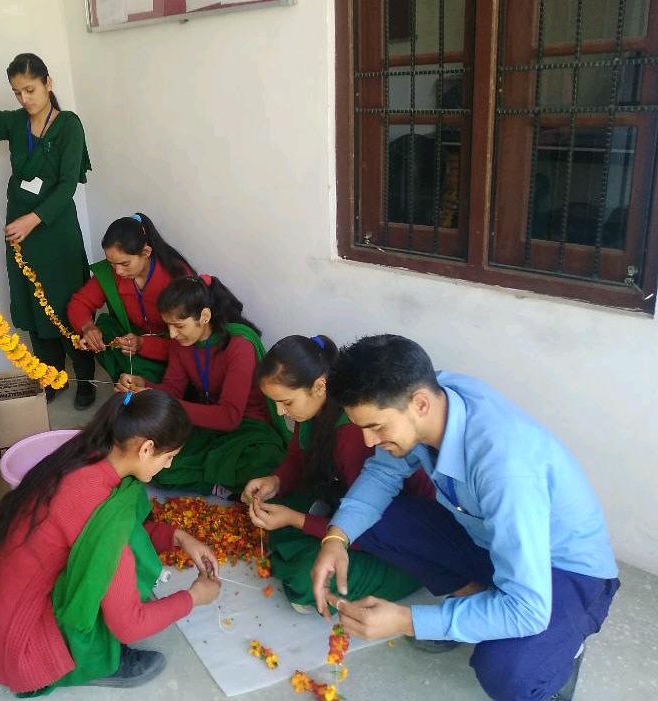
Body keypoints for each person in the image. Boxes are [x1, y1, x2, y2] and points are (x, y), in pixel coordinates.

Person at [311, 335, 619, 701]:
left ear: (420, 404)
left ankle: (561, 648)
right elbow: (382, 474)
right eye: (361, 426)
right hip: (491, 541)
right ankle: (478, 606)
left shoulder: (504, 466)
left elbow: (529, 610)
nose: (368, 441)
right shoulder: (434, 397)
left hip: (566, 571)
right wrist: (336, 539)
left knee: (509, 671)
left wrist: (408, 621)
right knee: (371, 520)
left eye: (376, 427)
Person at [0, 391, 221, 694]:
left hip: (11, 604)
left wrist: (181, 538)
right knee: (117, 582)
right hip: (28, 640)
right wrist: (194, 597)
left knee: (127, 542)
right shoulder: (99, 511)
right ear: (147, 449)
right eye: (169, 457)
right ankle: (94, 661)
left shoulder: (93, 450)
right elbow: (128, 624)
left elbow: (130, 531)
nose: (169, 466)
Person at [0, 53, 96, 408]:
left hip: (55, 230)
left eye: (30, 89)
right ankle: (52, 376)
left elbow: (67, 186)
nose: (25, 99)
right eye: (17, 93)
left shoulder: (69, 125)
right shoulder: (15, 123)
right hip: (19, 229)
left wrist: (33, 220)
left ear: (48, 84)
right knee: (34, 304)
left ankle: (85, 378)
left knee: (69, 303)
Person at [243, 334, 435, 613]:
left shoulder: (355, 435)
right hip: (347, 506)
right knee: (273, 509)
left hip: (394, 541)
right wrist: (275, 481)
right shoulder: (310, 411)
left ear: (319, 386)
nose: (279, 410)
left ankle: (400, 579)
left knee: (302, 581)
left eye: (286, 402)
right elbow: (297, 457)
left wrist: (297, 520)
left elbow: (368, 520)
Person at [117, 275, 289, 494]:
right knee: (158, 468)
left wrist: (166, 401)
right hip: (205, 421)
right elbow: (173, 390)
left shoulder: (239, 345)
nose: (172, 334)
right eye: (168, 326)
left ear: (205, 316)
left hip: (249, 428)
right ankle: (222, 484)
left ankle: (217, 482)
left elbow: (229, 417)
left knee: (265, 461)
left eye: (179, 325)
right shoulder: (181, 343)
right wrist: (145, 386)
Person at [68, 212, 194, 383]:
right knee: (103, 331)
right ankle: (129, 381)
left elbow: (188, 337)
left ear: (146, 252)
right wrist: (87, 327)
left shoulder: (175, 277)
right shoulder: (111, 273)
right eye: (112, 264)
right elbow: (79, 303)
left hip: (172, 345)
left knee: (157, 382)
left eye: (124, 264)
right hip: (132, 340)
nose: (118, 271)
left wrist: (143, 344)